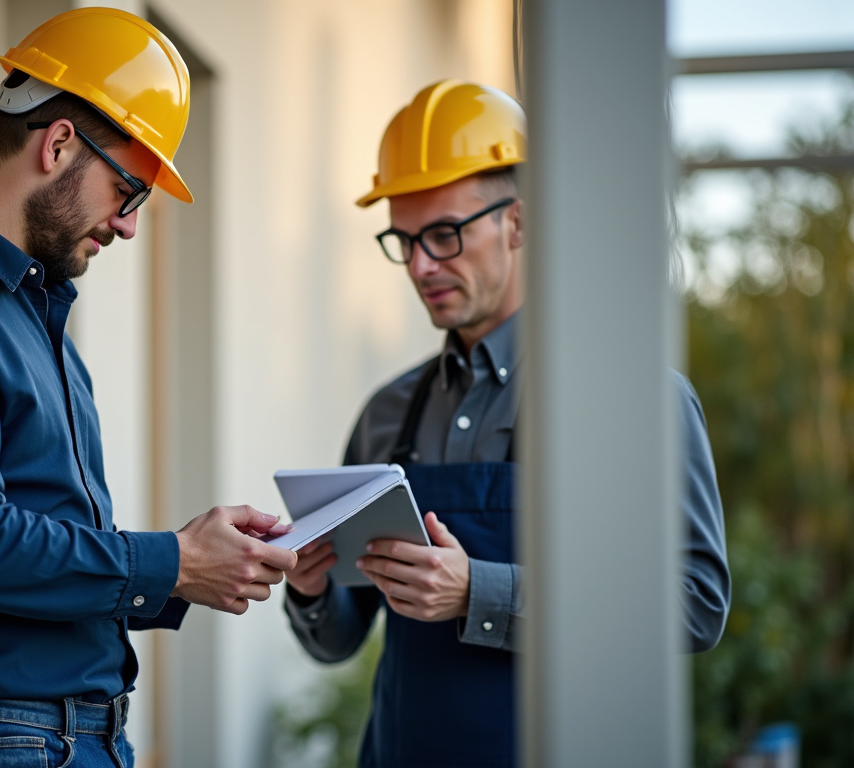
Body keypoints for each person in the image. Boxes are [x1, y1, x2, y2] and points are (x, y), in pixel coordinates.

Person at [0, 9, 297, 768]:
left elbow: (30, 546)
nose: (128, 227)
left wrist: (195, 560)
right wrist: (169, 561)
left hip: (58, 738)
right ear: (57, 145)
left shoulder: (25, 308)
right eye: (130, 193)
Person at [283, 79, 732, 768]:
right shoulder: (387, 415)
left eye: (443, 235)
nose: (421, 266)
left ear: (518, 221)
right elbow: (339, 639)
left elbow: (695, 604)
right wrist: (311, 589)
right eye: (403, 241)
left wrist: (479, 592)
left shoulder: (633, 400)